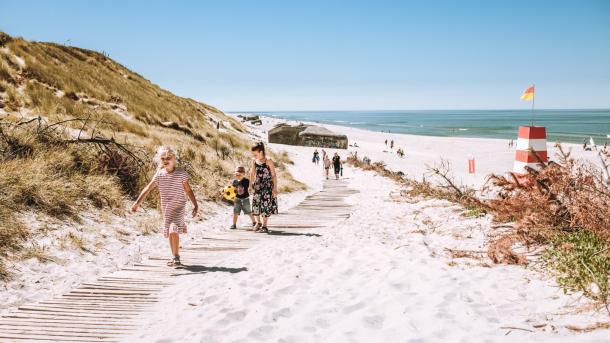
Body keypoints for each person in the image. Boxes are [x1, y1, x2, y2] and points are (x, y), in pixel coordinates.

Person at [132, 146, 198, 267]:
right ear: (160, 160)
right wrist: (137, 203)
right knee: (169, 231)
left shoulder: (181, 174)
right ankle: (174, 257)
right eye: (163, 158)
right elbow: (148, 188)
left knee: (173, 229)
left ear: (174, 159)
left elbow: (188, 190)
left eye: (169, 158)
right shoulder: (159, 174)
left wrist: (195, 205)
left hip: (179, 207)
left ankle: (177, 256)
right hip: (167, 208)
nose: (166, 160)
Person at [249, 142, 278, 233]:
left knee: (265, 205)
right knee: (256, 204)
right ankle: (258, 223)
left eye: (255, 154)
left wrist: (275, 188)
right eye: (253, 154)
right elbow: (252, 173)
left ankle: (265, 225)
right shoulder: (254, 161)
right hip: (257, 186)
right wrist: (250, 185)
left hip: (267, 186)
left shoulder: (268, 161)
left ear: (261, 151)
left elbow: (274, 175)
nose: (254, 156)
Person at [230, 166, 256, 230]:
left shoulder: (247, 181)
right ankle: (234, 224)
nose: (238, 176)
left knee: (249, 211)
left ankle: (254, 222)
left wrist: (252, 189)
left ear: (243, 174)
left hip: (245, 199)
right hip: (237, 199)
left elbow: (251, 187)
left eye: (239, 175)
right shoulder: (234, 182)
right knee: (235, 212)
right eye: (236, 175)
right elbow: (232, 190)